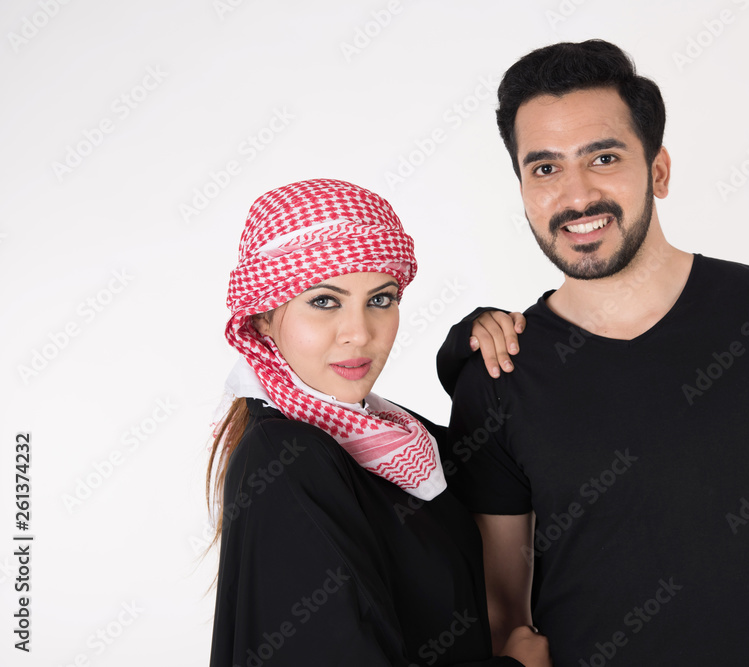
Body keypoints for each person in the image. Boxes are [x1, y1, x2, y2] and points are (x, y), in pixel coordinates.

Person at [437, 41, 749, 665]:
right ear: (523, 187)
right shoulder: (499, 371)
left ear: (658, 170)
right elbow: (502, 610)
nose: (577, 196)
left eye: (603, 157)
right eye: (545, 168)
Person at [206, 178, 549, 666]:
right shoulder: (286, 459)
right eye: (325, 301)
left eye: (381, 299)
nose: (359, 333)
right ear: (261, 317)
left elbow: (500, 469)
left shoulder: (393, 441)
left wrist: (470, 353)